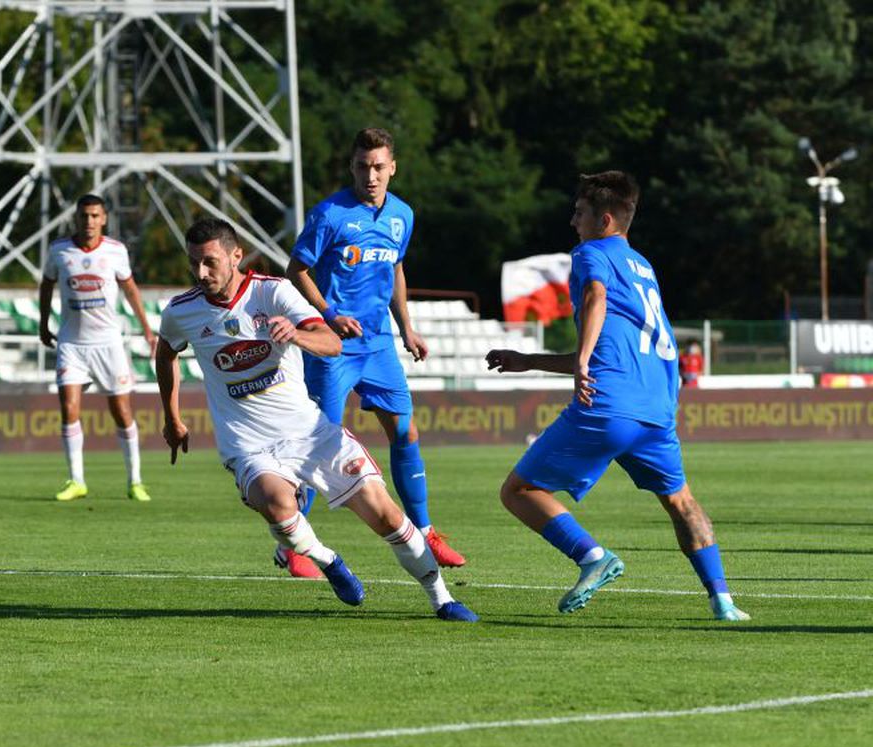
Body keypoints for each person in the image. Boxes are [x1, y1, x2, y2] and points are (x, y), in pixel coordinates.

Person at [156, 218, 478, 622]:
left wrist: (296, 335)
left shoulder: (273, 293)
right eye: (194, 264)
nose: (201, 273)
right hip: (249, 446)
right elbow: (165, 352)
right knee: (276, 503)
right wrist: (172, 418)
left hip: (309, 435)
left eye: (210, 262)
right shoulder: (182, 311)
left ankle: (441, 598)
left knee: (386, 514)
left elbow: (330, 342)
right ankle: (327, 560)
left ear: (236, 256)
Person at [485, 171, 749, 622]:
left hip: (609, 405)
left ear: (605, 219)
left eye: (580, 212)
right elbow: (614, 347)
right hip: (656, 411)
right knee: (681, 501)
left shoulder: (590, 254)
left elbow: (594, 297)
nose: (573, 221)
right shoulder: (643, 267)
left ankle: (591, 556)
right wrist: (528, 359)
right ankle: (723, 601)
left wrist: (584, 358)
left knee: (518, 491)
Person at [284, 127, 466, 579]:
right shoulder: (330, 214)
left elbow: (396, 267)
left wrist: (408, 328)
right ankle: (294, 545)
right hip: (334, 347)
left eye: (379, 167)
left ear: (393, 167)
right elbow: (296, 269)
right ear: (352, 167)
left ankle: (424, 531)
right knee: (315, 445)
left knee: (405, 432)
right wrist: (327, 314)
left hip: (380, 344)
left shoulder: (402, 214)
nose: (371, 175)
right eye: (363, 166)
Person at [40, 194, 156, 502]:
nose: (89, 221)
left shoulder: (116, 251)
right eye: (84, 216)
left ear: (103, 219)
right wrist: (42, 323)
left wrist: (147, 329)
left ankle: (135, 481)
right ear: (76, 218)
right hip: (72, 344)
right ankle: (76, 480)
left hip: (108, 344)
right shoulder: (59, 250)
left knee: (121, 411)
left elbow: (130, 289)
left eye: (94, 216)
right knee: (68, 409)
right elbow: (46, 283)